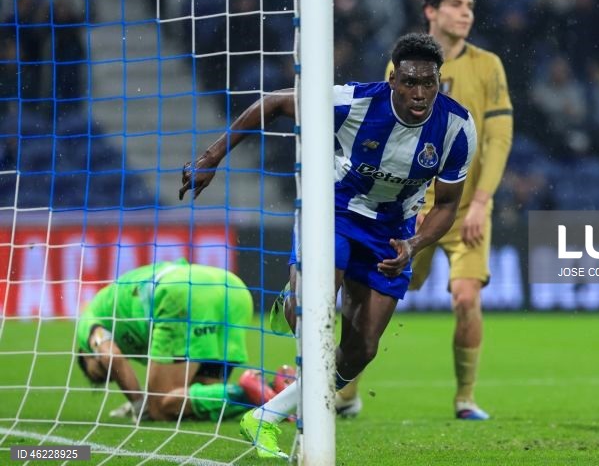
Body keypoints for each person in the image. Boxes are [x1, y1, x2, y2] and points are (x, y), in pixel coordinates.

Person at [179, 32, 476, 458]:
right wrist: (212, 157)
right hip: (332, 213)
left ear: (438, 82)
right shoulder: (354, 102)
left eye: (428, 83)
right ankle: (296, 298)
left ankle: (266, 414)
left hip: (391, 232)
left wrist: (415, 243)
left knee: (362, 350)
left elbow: (447, 204)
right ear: (393, 78)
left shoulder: (455, 127)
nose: (419, 92)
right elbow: (275, 102)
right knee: (313, 317)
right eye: (410, 81)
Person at [337, 0, 513, 421]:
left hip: (465, 206)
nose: (466, 12)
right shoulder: (403, 65)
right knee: (369, 293)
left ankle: (465, 398)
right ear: (430, 11)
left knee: (466, 297)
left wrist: (482, 201)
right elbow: (379, 130)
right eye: (456, 4)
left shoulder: (488, 65)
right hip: (407, 209)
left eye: (471, 4)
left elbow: (499, 137)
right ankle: (344, 390)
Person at [76, 258, 270, 422]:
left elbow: (112, 357)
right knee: (196, 398)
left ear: (85, 353)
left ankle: (246, 394)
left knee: (159, 406)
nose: (112, 375)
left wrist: (139, 404)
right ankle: (270, 393)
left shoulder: (88, 321)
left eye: (99, 370)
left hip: (181, 294)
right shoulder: (119, 303)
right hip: (232, 288)